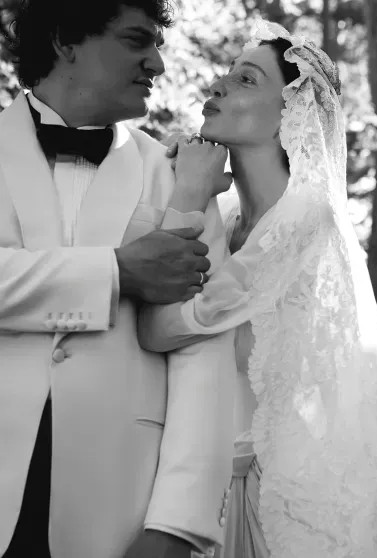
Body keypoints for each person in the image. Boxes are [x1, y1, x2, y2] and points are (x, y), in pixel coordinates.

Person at [138, 20, 377, 558]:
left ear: (289, 115)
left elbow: (158, 330)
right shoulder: (227, 216)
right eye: (227, 73)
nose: (219, 85)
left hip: (280, 500)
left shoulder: (305, 220)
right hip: (211, 482)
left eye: (246, 79)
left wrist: (187, 192)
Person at [0, 1, 236, 557]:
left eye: (157, 45)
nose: (157, 63)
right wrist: (116, 272)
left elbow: (204, 350)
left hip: (120, 504)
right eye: (136, 40)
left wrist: (179, 524)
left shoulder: (178, 177)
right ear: (65, 42)